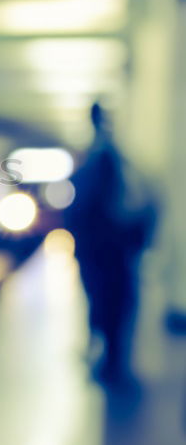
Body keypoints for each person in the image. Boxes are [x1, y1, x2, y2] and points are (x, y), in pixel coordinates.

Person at [65, 103, 157, 385]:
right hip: (114, 253)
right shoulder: (115, 161)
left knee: (103, 304)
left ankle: (106, 358)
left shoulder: (92, 163)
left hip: (98, 253)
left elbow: (76, 212)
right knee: (116, 306)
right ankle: (112, 362)